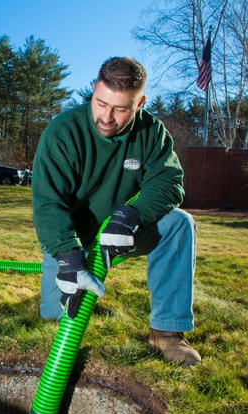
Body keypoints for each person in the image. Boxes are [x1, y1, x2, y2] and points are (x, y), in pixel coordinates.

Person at [32, 56, 200, 366]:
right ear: (95, 89)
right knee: (55, 328)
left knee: (179, 224)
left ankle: (166, 333)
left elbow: (169, 182)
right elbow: (48, 203)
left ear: (140, 103)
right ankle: (58, 306)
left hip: (124, 231)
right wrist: (67, 257)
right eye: (100, 103)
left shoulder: (151, 132)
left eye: (121, 109)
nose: (106, 118)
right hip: (73, 237)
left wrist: (131, 215)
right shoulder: (63, 132)